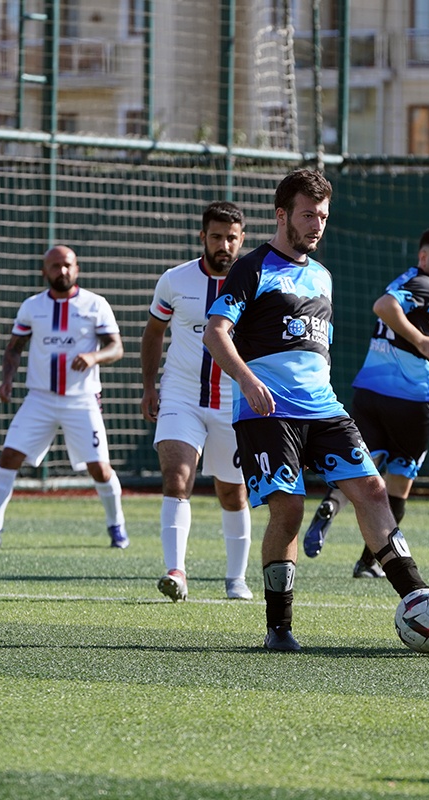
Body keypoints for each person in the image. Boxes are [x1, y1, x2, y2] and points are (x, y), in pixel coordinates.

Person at [202, 168, 429, 652]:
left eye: (323, 217)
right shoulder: (252, 267)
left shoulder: (322, 276)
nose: (317, 225)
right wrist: (246, 380)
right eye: (308, 215)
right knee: (288, 509)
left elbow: (317, 350)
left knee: (373, 490)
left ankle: (420, 598)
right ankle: (279, 627)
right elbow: (215, 333)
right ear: (282, 215)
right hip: (269, 412)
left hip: (324, 408)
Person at [301, 226, 429, 578]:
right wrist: (421, 340)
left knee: (362, 466)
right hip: (412, 400)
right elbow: (384, 308)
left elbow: (401, 318)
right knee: (398, 484)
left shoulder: (409, 280)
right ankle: (369, 562)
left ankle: (332, 504)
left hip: (371, 392)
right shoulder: (427, 285)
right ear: (423, 257)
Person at [0, 245, 129, 550]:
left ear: (77, 268)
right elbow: (14, 348)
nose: (62, 271)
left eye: (68, 265)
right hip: (40, 399)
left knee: (99, 467)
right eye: (55, 266)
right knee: (8, 457)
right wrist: (7, 380)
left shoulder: (95, 304)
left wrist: (94, 357)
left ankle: (116, 526)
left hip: (82, 399)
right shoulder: (32, 306)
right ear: (44, 271)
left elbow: (116, 348)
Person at [141, 201, 254, 601]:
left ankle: (236, 579)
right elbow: (154, 332)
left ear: (242, 239)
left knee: (232, 492)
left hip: (232, 402)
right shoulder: (175, 280)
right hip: (181, 395)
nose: (224, 245)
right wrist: (149, 386)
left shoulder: (256, 283)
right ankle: (176, 572)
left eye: (231, 238)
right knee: (176, 477)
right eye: (216, 237)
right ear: (202, 237)